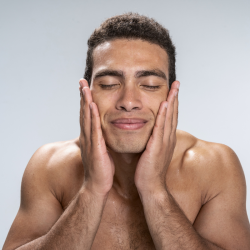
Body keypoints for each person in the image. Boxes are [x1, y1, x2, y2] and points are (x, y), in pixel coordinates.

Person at [3, 12, 250, 250]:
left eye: (150, 85)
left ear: (171, 95)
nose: (129, 101)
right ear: (86, 93)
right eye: (109, 84)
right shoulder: (50, 166)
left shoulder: (214, 166)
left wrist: (155, 190)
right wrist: (92, 190)